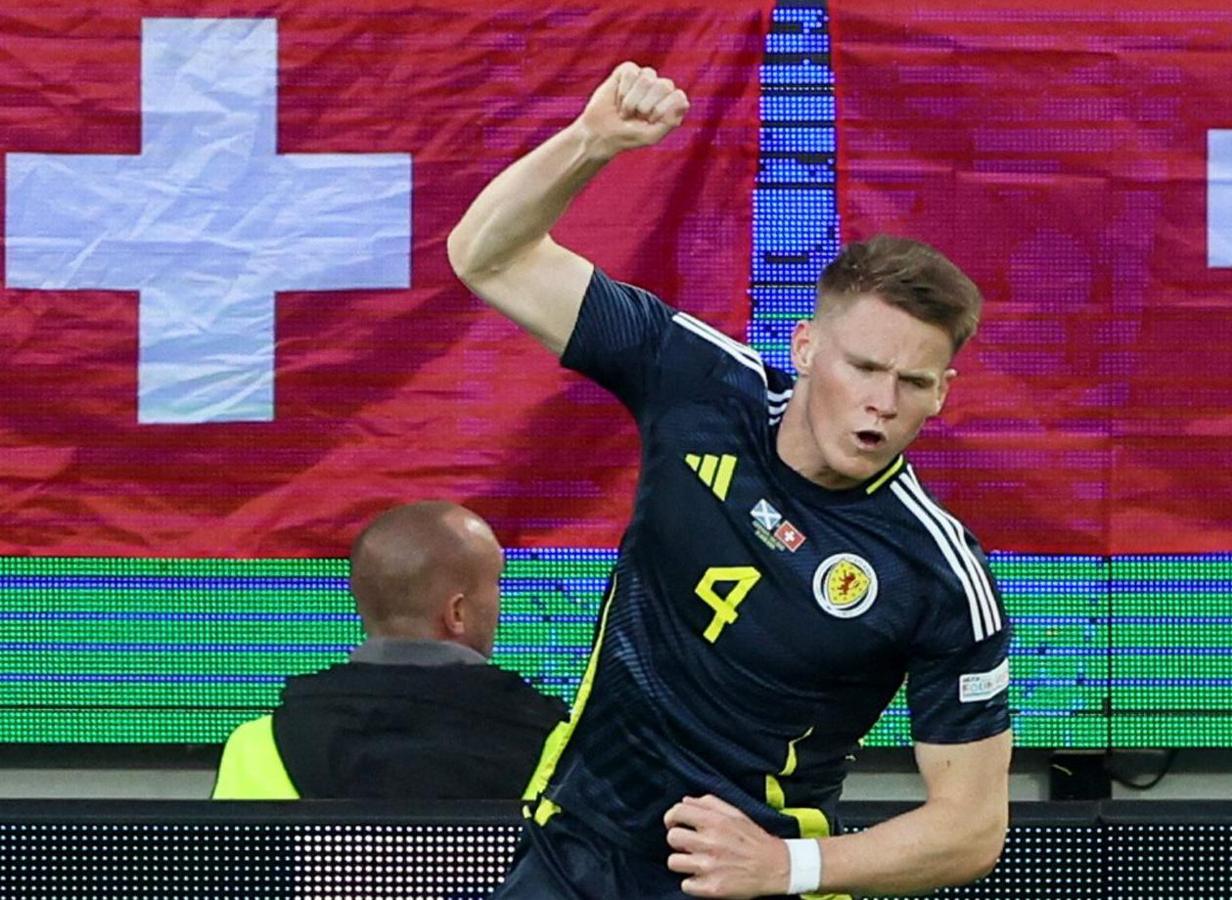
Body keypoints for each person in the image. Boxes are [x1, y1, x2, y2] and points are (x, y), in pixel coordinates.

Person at [448, 61, 1011, 899]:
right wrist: (591, 142)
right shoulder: (698, 380)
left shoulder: (935, 575)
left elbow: (971, 829)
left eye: (915, 383)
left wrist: (790, 866)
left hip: (741, 883)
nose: (882, 403)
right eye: (864, 367)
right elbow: (483, 257)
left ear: (942, 395)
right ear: (807, 347)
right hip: (576, 849)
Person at [211, 500, 569, 800]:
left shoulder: (258, 744)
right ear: (456, 613)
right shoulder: (556, 747)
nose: (500, 599)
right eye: (496, 583)